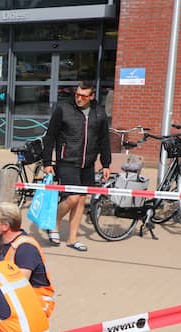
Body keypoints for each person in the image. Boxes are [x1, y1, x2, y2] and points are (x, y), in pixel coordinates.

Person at [42, 80, 112, 252]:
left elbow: (104, 140)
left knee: (81, 200)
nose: (79, 98)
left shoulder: (99, 113)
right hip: (67, 160)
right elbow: (50, 136)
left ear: (92, 96)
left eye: (83, 96)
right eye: (77, 94)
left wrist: (106, 164)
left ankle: (72, 239)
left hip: (87, 163)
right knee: (72, 197)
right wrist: (47, 162)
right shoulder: (63, 109)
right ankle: (53, 223)